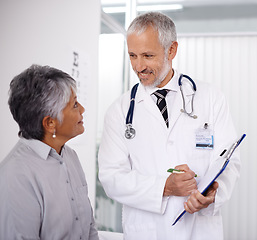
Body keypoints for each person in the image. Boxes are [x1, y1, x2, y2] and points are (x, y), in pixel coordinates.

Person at [98, 12, 240, 240]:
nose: (138, 66)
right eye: (132, 55)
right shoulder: (119, 111)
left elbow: (230, 160)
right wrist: (165, 186)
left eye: (147, 55)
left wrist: (214, 192)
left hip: (200, 230)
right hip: (146, 231)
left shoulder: (211, 98)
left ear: (171, 50)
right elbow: (111, 177)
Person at [0, 65, 99, 240]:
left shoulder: (70, 157)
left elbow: (89, 228)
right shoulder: (15, 175)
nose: (82, 109)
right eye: (75, 105)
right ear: (50, 123)